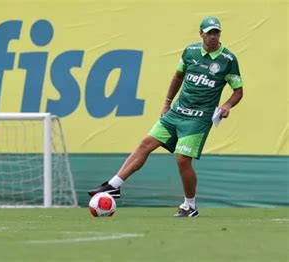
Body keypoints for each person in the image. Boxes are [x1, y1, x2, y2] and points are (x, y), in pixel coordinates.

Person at [88, 16, 244, 217]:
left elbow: (238, 91)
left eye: (216, 32)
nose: (213, 36)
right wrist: (167, 103)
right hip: (176, 112)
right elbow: (178, 76)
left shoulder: (228, 60)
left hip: (198, 118)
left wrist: (226, 105)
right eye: (209, 32)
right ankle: (113, 186)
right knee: (146, 143)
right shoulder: (190, 52)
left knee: (182, 160)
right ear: (201, 34)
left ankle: (190, 205)